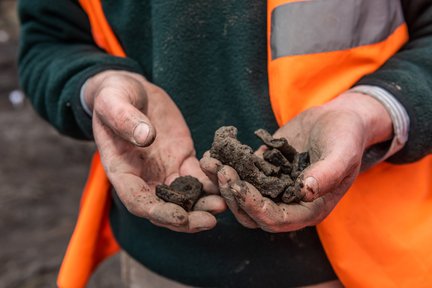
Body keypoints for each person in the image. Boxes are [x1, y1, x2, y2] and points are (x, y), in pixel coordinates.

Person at [18, 0, 432, 287]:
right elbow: (50, 40)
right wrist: (97, 84)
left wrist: (371, 111)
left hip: (370, 262)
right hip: (161, 264)